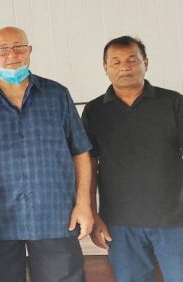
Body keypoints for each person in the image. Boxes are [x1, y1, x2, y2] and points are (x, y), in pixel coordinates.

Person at [0, 26, 94, 282]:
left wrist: (84, 204)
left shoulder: (56, 95)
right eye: (3, 50)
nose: (12, 55)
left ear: (29, 50)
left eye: (19, 47)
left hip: (55, 217)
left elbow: (81, 153)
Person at [81, 36, 183, 282]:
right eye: (115, 62)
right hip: (119, 223)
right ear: (105, 67)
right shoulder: (95, 111)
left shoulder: (172, 102)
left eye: (131, 60)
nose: (124, 67)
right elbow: (88, 165)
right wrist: (94, 216)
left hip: (174, 219)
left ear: (145, 63)